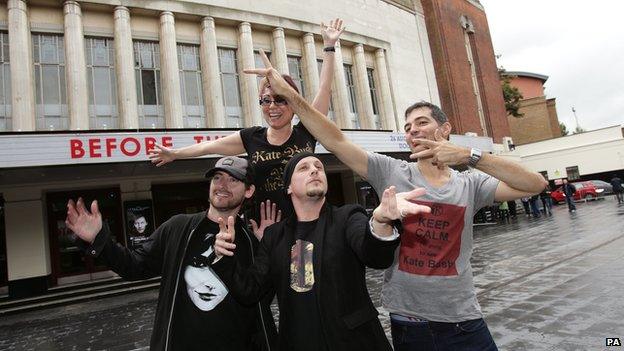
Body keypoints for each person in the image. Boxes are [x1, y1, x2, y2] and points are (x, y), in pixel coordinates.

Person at [244, 55, 548, 351]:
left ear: (444, 130)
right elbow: (335, 140)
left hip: (463, 321)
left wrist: (471, 156)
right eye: (407, 126)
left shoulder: (471, 183)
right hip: (410, 323)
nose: (412, 129)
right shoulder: (390, 170)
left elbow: (534, 184)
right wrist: (289, 97)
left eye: (421, 122)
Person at [215, 153, 432, 350]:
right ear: (288, 187)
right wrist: (225, 256)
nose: (314, 170)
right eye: (303, 168)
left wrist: (381, 223)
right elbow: (249, 290)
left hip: (355, 342)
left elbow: (374, 254)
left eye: (318, 166)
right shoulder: (274, 236)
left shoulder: (348, 217)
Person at [64, 156, 277, 351]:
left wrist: (266, 245)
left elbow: (259, 300)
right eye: (218, 178)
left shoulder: (252, 243)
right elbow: (133, 266)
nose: (222, 185)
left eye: (233, 180)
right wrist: (97, 239)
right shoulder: (178, 227)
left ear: (248, 191)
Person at [149, 19, 345, 223]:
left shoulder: (307, 130)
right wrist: (175, 154)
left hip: (308, 225)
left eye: (280, 99)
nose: (272, 106)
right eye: (266, 100)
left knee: (305, 256)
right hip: (264, 231)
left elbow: (324, 88)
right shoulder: (252, 137)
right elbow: (210, 146)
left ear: (293, 103)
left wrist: (329, 46)